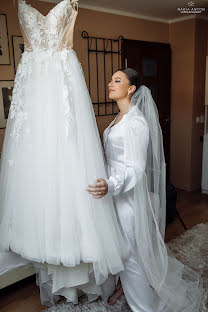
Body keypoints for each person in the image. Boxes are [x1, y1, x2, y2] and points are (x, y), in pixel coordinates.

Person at [0, 0, 127, 306]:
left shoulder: (69, 6)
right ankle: (61, 277)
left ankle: (77, 280)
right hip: (36, 100)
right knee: (42, 178)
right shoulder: (23, 8)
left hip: (61, 92)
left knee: (70, 172)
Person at [87, 68, 203, 312]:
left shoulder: (136, 122)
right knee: (119, 250)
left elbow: (136, 168)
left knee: (130, 256)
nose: (110, 83)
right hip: (111, 197)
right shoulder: (118, 118)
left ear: (131, 89)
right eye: (110, 79)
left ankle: (144, 308)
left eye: (117, 80)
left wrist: (112, 185)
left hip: (127, 199)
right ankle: (124, 288)